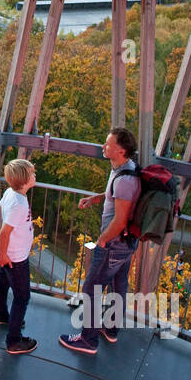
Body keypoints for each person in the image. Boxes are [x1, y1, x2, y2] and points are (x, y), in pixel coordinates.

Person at [60, 128, 141, 355]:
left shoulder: (124, 179)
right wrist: (96, 199)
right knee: (118, 285)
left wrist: (102, 240)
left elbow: (120, 219)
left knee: (92, 288)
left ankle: (88, 340)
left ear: (121, 151)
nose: (103, 147)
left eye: (108, 144)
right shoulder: (123, 170)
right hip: (125, 244)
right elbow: (116, 198)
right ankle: (111, 330)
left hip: (114, 243)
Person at [0, 158, 38, 355]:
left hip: (10, 254)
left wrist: (2, 253)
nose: (35, 176)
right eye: (32, 173)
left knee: (2, 283)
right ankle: (14, 341)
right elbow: (4, 232)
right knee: (22, 297)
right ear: (25, 179)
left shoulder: (11, 193)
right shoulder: (19, 203)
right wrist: (3, 253)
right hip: (16, 257)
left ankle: (0, 314)